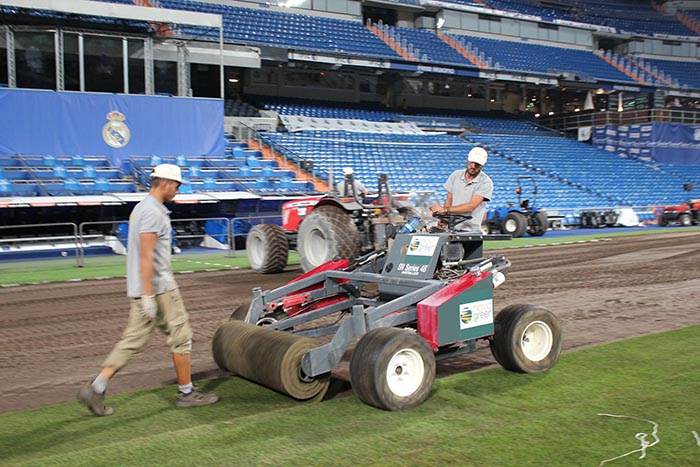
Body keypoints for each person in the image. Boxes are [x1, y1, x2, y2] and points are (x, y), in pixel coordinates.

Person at [78, 164, 218, 416]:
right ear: (164, 183)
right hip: (159, 288)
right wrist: (148, 295)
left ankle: (96, 387)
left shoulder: (141, 208)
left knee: (132, 341)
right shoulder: (153, 212)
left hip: (144, 288)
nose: (177, 189)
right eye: (176, 185)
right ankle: (186, 393)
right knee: (182, 336)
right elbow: (146, 256)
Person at [430, 147, 494, 232]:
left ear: (483, 165)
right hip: (452, 228)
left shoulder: (485, 182)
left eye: (477, 164)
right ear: (467, 160)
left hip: (470, 230)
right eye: (472, 163)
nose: (473, 166)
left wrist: (445, 210)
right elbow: (449, 199)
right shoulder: (456, 175)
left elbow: (470, 207)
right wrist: (443, 219)